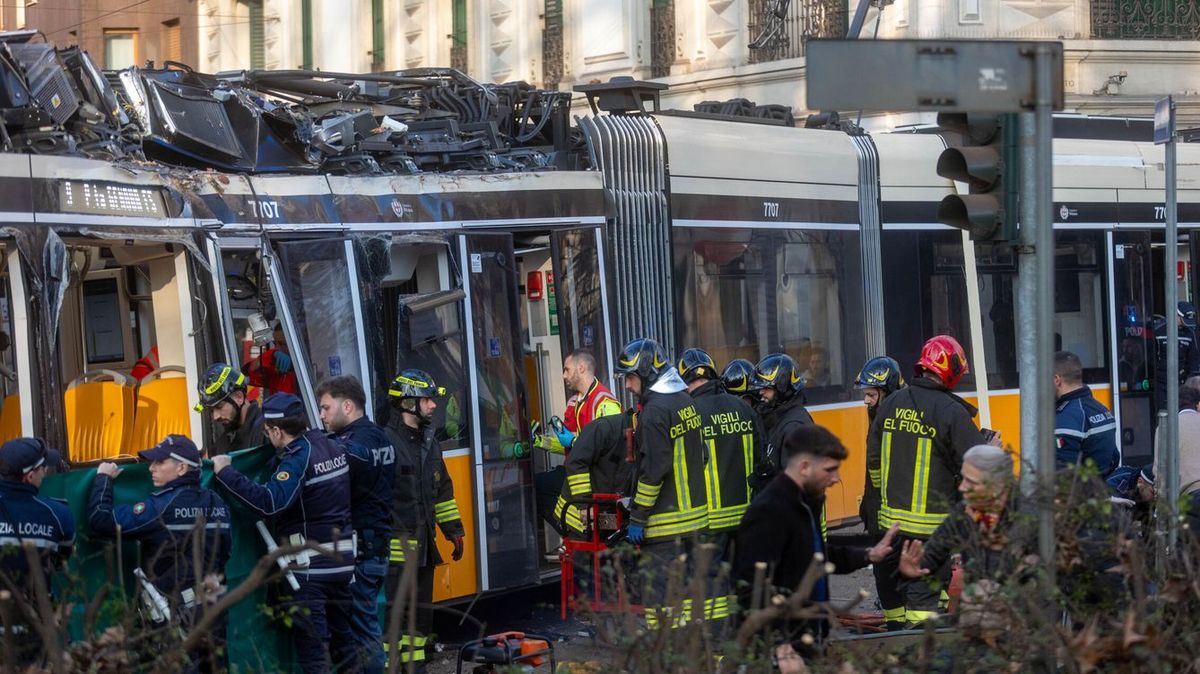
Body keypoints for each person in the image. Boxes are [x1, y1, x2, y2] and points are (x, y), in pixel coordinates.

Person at [212, 393, 355, 674]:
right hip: (342, 563)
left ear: (277, 430)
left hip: (310, 573)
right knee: (346, 645)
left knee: (316, 654)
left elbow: (270, 503)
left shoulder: (297, 460)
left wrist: (226, 474)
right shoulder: (332, 446)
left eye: (268, 432)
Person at [733, 424, 897, 656]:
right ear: (804, 467)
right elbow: (753, 589)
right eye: (830, 470)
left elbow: (814, 557)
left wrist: (869, 555)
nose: (836, 479)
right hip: (785, 651)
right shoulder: (770, 511)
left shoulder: (804, 502)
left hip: (808, 640)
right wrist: (781, 647)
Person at [866, 335, 991, 630]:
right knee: (923, 607)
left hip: (889, 527)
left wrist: (884, 501)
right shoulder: (951, 412)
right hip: (927, 533)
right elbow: (977, 466)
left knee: (893, 598)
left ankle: (891, 647)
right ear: (950, 369)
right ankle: (919, 653)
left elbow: (873, 461)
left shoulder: (891, 402)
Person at [88, 435, 231, 672]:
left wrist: (103, 479)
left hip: (177, 614)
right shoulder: (217, 503)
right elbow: (226, 552)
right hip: (214, 608)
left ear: (182, 467)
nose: (150, 468)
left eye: (159, 462)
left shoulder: (159, 506)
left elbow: (99, 520)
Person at [615, 338, 707, 630]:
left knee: (664, 608)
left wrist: (637, 518)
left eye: (629, 378)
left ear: (645, 373)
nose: (628, 386)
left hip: (666, 529)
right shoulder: (684, 400)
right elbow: (701, 455)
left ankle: (670, 657)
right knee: (690, 604)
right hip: (694, 523)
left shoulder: (654, 413)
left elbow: (653, 472)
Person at [383, 369, 464, 672]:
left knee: (420, 617)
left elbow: (443, 491)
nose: (433, 406)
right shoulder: (386, 443)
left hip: (425, 548)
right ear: (407, 404)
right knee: (396, 617)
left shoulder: (430, 444)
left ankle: (416, 668)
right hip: (397, 549)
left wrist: (454, 531)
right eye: (427, 400)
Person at [677, 348, 762, 627]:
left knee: (712, 587)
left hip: (709, 521)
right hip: (747, 518)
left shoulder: (689, 414)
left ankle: (719, 646)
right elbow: (764, 462)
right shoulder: (744, 409)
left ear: (685, 380)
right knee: (743, 580)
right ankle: (746, 638)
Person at [316, 375, 395, 674]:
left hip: (363, 552)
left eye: (325, 408)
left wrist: (312, 444)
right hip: (371, 548)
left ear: (346, 405)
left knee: (364, 634)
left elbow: (352, 459)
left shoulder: (358, 443)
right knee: (362, 630)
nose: (321, 415)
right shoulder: (380, 437)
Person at [0, 438, 74, 666]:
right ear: (30, 476)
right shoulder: (57, 514)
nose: (46, 472)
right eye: (44, 468)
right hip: (34, 629)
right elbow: (63, 557)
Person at [535, 350, 621, 536]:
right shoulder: (576, 402)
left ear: (581, 368)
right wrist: (539, 442)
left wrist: (574, 441)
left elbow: (610, 450)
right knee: (539, 489)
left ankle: (583, 537)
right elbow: (569, 445)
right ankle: (575, 537)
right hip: (579, 475)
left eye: (567, 369)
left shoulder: (605, 403)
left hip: (595, 479)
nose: (564, 375)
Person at [553, 410, 635, 599]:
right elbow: (575, 462)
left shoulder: (639, 440)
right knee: (584, 564)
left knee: (606, 555)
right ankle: (587, 613)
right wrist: (585, 506)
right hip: (577, 514)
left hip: (604, 515)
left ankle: (606, 607)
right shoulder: (604, 428)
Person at [854, 356, 906, 539]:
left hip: (891, 512)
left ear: (887, 394)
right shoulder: (877, 415)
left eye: (871, 395)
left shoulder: (896, 420)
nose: (866, 401)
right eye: (865, 395)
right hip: (878, 507)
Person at [1053, 351, 1118, 477]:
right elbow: (1114, 458)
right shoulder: (1103, 410)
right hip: (1102, 490)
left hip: (1081, 494)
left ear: (1057, 380)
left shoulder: (1066, 418)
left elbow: (1063, 477)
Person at [753, 353, 814, 481]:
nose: (760, 392)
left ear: (782, 389)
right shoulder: (776, 417)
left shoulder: (795, 427)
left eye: (766, 388)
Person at [195, 363, 265, 455]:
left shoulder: (268, 430)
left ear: (239, 397)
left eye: (219, 406)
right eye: (211, 410)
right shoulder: (225, 442)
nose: (215, 417)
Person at [1152, 301, 1200, 414]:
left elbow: (1194, 358)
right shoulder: (1158, 329)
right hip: (1160, 382)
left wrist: (1191, 380)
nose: (1187, 324)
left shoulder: (1190, 332)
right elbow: (1151, 356)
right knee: (1162, 413)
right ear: (1176, 315)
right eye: (1184, 320)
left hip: (1181, 381)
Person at [242, 323, 298, 396]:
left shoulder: (306, 370)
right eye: (275, 344)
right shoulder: (276, 368)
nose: (277, 348)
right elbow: (248, 372)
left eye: (282, 344)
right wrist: (271, 355)